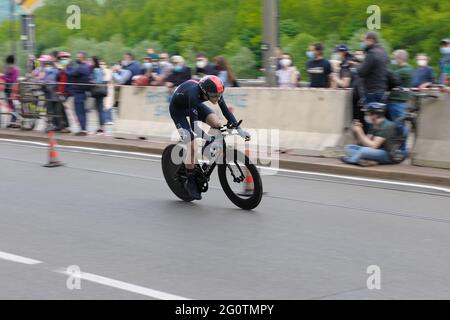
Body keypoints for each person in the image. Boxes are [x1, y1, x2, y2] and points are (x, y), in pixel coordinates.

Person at [169, 75, 250, 200]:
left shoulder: (214, 92)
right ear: (205, 93)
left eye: (220, 95)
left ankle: (207, 149)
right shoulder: (193, 95)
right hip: (178, 110)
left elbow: (226, 112)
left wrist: (239, 130)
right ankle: (190, 180)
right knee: (192, 145)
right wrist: (208, 139)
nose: (218, 99)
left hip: (194, 105)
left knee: (217, 124)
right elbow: (195, 128)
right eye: (215, 96)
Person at [356, 32, 389, 103]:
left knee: (371, 112)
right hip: (381, 88)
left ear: (370, 40)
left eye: (363, 41)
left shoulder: (371, 53)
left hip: (371, 89)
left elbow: (362, 72)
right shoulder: (384, 52)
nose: (362, 43)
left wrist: (358, 66)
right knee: (379, 112)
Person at [66, 51, 92, 136]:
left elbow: (70, 74)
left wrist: (67, 67)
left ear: (82, 58)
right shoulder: (86, 67)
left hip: (79, 92)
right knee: (82, 112)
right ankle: (83, 129)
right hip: (83, 92)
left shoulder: (81, 68)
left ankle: (83, 130)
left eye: (78, 57)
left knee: (79, 112)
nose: (77, 59)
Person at [386, 50, 413, 121]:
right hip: (395, 100)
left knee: (399, 124)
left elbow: (390, 76)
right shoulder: (402, 69)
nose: (393, 61)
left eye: (394, 58)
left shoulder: (405, 71)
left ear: (399, 59)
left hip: (397, 101)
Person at [0, 55, 20, 128]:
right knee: (11, 105)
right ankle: (13, 121)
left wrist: (3, 77)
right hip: (8, 89)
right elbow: (9, 78)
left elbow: (12, 80)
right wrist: (3, 77)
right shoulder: (11, 69)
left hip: (11, 89)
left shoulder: (14, 69)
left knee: (12, 106)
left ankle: (15, 120)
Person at [54, 52, 71, 133]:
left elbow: (67, 77)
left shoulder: (68, 68)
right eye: (61, 58)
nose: (63, 60)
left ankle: (65, 126)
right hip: (60, 91)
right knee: (60, 109)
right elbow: (57, 77)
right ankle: (61, 125)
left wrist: (62, 69)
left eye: (65, 58)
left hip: (65, 92)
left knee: (61, 109)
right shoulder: (60, 68)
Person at [91, 56, 108, 134]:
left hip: (98, 91)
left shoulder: (96, 70)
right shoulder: (100, 69)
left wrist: (91, 81)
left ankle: (101, 127)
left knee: (100, 109)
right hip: (101, 91)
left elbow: (97, 81)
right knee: (100, 109)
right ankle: (101, 127)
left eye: (90, 61)